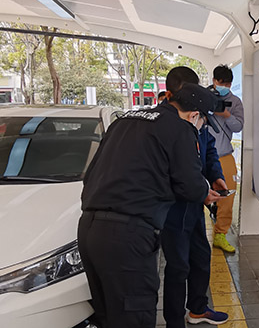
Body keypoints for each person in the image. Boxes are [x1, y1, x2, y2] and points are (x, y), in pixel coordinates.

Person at [78, 82, 224, 328]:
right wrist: (205, 193)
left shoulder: (124, 120)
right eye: (202, 123)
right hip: (128, 235)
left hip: (89, 229)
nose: (200, 128)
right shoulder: (180, 129)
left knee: (108, 315)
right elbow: (189, 184)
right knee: (135, 315)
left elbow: (91, 172)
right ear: (195, 116)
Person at [161, 66, 230, 326]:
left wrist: (216, 176)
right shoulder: (164, 126)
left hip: (196, 202)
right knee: (178, 267)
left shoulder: (197, 118)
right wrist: (198, 191)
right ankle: (174, 321)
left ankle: (198, 308)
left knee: (201, 256)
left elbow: (209, 150)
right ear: (171, 96)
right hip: (173, 208)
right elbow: (168, 173)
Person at [209, 65, 244, 253]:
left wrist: (226, 115)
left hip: (223, 155)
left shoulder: (235, 102)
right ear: (214, 81)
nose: (224, 86)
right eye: (221, 83)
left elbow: (238, 126)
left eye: (228, 84)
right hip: (200, 156)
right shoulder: (203, 97)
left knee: (228, 194)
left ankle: (220, 234)